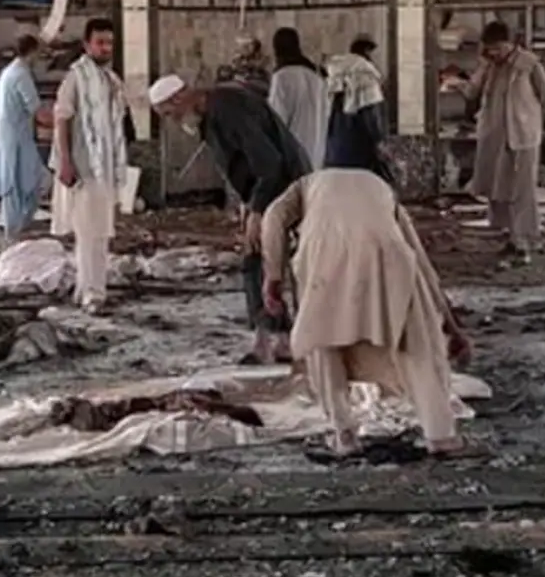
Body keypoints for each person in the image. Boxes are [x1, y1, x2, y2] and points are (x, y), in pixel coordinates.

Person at [260, 169, 474, 457]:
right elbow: (422, 263)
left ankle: (344, 435)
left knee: (323, 343)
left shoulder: (302, 188)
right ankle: (441, 436)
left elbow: (272, 218)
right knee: (417, 344)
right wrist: (451, 327)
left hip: (324, 255)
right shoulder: (380, 188)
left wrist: (273, 277)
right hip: (389, 254)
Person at [148, 72, 309, 364]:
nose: (173, 121)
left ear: (179, 98)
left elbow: (269, 163)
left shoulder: (228, 108)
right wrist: (249, 204)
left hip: (284, 187)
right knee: (255, 260)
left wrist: (258, 211)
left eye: (170, 114)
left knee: (264, 260)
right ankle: (274, 337)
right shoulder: (211, 114)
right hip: (266, 191)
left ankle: (279, 340)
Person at [51, 18, 129, 312]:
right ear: (87, 45)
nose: (106, 48)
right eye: (100, 42)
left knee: (98, 232)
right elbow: (61, 119)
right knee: (89, 233)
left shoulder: (110, 79)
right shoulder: (75, 78)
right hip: (83, 167)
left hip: (104, 166)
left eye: (110, 43)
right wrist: (66, 161)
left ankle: (86, 288)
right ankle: (92, 294)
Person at [465, 21, 545, 264]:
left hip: (522, 137)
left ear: (510, 44)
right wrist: (483, 66)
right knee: (499, 189)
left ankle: (524, 241)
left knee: (522, 191)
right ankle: (512, 236)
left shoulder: (529, 64)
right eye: (489, 48)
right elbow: (471, 92)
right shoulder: (490, 67)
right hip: (496, 137)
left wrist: (527, 116)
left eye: (498, 48)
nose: (494, 53)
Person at [0, 34, 51, 242]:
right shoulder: (21, 75)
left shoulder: (9, 72)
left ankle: (19, 228)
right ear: (32, 52)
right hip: (16, 137)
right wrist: (64, 123)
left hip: (10, 135)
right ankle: (16, 230)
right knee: (28, 183)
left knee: (20, 183)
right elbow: (38, 112)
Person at [324, 34, 391, 182]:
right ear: (366, 51)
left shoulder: (336, 75)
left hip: (334, 150)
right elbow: (371, 116)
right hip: (359, 151)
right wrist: (380, 144)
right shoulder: (364, 74)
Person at [268, 27, 328, 171]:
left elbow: (277, 121)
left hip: (292, 159)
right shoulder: (317, 78)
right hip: (317, 156)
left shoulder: (282, 77)